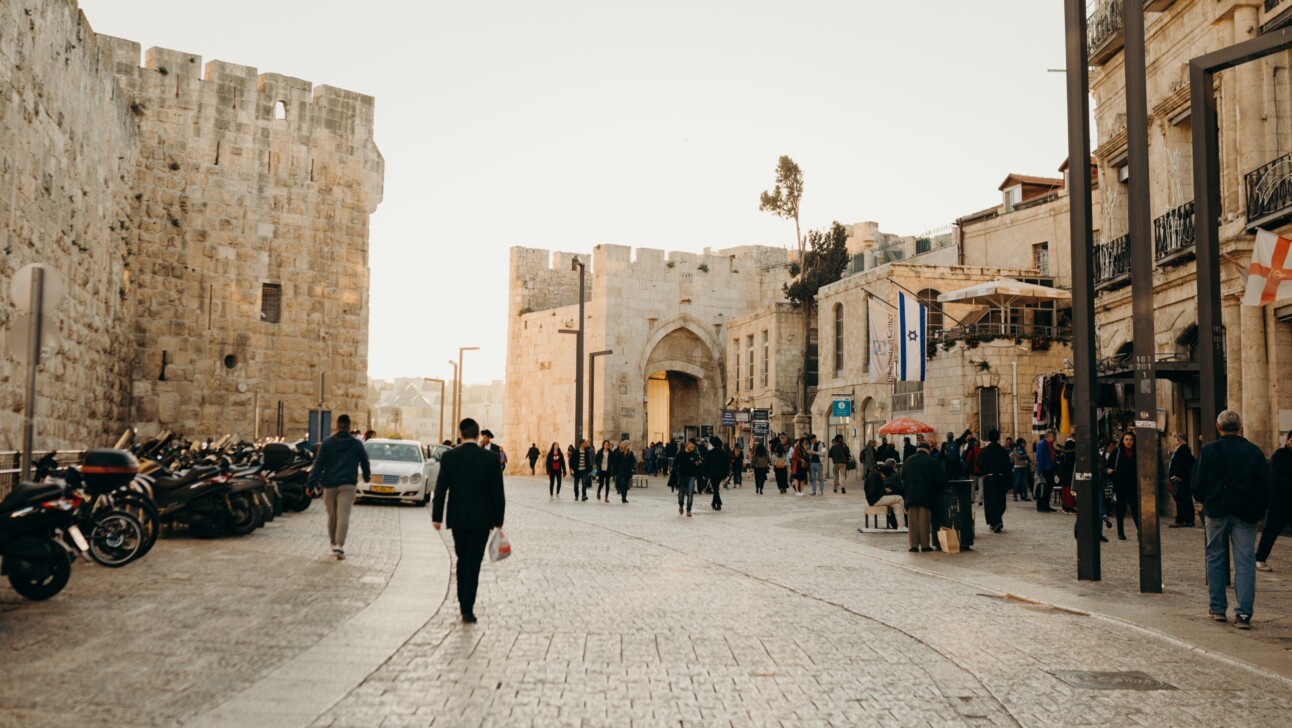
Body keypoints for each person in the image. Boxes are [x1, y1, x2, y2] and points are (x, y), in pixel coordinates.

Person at [1191, 410, 1270, 630]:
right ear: (1240, 427)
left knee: (1215, 556)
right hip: (1245, 512)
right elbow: (1265, 484)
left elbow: (1197, 482)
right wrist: (1259, 508)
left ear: (1219, 427)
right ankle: (1244, 614)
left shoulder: (1209, 450)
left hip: (1216, 510)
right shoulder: (1253, 452)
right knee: (1244, 561)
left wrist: (1205, 501)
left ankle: (1217, 609)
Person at [432, 418, 506, 624]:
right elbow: (497, 492)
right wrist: (499, 519)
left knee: (462, 558)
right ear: (477, 434)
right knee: (473, 562)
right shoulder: (490, 459)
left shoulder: (449, 457)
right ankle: (467, 608)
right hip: (482, 520)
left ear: (461, 434)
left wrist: (437, 517)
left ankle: (461, 599)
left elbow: (441, 489)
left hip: (457, 518)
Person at [308, 414, 371, 560]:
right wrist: (367, 477)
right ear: (349, 426)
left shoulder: (327, 443)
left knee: (332, 515)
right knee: (344, 515)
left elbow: (318, 464)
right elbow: (365, 462)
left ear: (337, 426)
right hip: (348, 484)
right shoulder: (356, 444)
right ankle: (339, 545)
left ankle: (333, 542)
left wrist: (310, 483)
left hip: (330, 484)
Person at [901, 442, 947, 552]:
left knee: (912, 522)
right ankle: (925, 545)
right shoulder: (932, 461)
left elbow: (903, 476)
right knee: (924, 521)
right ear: (928, 450)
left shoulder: (908, 460)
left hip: (911, 495)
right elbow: (941, 479)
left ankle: (914, 545)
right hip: (926, 495)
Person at [1256, 430, 1292, 572]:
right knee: (1271, 531)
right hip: (1280, 502)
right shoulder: (1279, 455)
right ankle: (1260, 559)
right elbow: (1278, 478)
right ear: (1289, 440)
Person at [1107, 431, 1140, 540]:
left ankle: (1141, 531)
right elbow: (1108, 466)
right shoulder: (1117, 452)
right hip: (1120, 484)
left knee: (1136, 509)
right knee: (1120, 509)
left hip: (1133, 485)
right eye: (1126, 439)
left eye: (1131, 439)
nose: (1129, 442)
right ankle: (1120, 532)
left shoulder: (1138, 452)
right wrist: (1109, 471)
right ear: (1123, 441)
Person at [979, 429, 1013, 534]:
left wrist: (985, 470)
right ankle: (997, 521)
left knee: (990, 501)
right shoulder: (1003, 451)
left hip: (989, 479)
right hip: (1001, 478)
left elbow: (979, 463)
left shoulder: (984, 451)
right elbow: (1008, 467)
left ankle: (995, 522)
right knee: (1000, 500)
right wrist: (1009, 482)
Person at [1167, 433, 1196, 528]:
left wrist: (1178, 475)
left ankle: (1182, 519)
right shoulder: (1180, 450)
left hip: (1181, 480)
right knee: (1183, 499)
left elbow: (1183, 464)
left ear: (1179, 441)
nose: (1175, 441)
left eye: (1176, 439)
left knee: (1182, 499)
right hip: (1181, 479)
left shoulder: (1183, 450)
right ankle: (1187, 519)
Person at [674, 439, 703, 516]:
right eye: (691, 447)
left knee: (690, 493)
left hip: (691, 476)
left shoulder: (695, 455)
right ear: (687, 445)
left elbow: (699, 464)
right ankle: (681, 505)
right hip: (682, 476)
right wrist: (677, 472)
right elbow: (675, 464)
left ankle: (688, 510)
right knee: (681, 493)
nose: (692, 449)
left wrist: (698, 463)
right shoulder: (680, 454)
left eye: (693, 447)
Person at [1034, 430, 1058, 512]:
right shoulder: (1042, 444)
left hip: (1050, 468)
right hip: (1044, 469)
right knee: (1043, 487)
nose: (1054, 438)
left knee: (1049, 488)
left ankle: (1046, 505)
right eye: (1053, 437)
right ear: (1049, 436)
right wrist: (1040, 471)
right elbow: (1039, 457)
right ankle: (1041, 505)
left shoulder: (1050, 445)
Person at [705, 436, 729, 510]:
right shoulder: (723, 453)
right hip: (721, 474)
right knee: (716, 488)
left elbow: (706, 464)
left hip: (712, 473)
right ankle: (713, 502)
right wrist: (726, 474)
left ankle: (718, 503)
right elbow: (727, 464)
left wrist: (705, 474)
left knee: (715, 489)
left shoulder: (710, 453)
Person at [1057, 439, 1077, 514]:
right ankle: (1069, 506)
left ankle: (1065, 505)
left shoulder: (1063, 454)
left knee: (1064, 491)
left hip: (1064, 476)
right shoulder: (1073, 454)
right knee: (1070, 491)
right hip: (1070, 475)